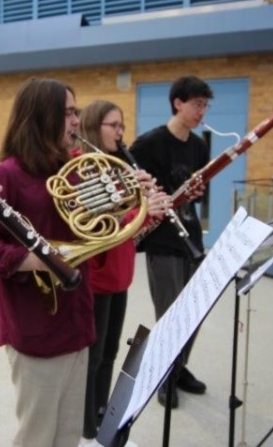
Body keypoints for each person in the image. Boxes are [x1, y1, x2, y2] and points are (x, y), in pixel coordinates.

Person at [0, 78, 94, 447]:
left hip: (77, 315)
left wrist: (132, 203)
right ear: (43, 116)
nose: (76, 121)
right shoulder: (6, 175)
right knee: (38, 435)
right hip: (35, 322)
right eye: (69, 113)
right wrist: (41, 260)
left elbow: (92, 231)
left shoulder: (72, 169)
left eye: (77, 112)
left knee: (68, 433)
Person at [76, 100, 168, 445]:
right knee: (95, 355)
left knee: (112, 351)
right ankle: (87, 422)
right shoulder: (88, 170)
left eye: (122, 126)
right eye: (113, 125)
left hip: (121, 274)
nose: (121, 132)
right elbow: (101, 226)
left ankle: (103, 412)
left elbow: (132, 232)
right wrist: (139, 213)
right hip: (98, 277)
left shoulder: (118, 169)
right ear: (93, 127)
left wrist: (152, 211)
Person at [129, 76, 214, 409]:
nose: (201, 111)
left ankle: (177, 369)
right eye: (197, 104)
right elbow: (128, 186)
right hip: (162, 239)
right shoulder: (149, 144)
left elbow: (199, 190)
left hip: (190, 235)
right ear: (178, 102)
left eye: (205, 105)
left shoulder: (199, 146)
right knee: (169, 313)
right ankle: (161, 375)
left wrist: (196, 192)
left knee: (193, 311)